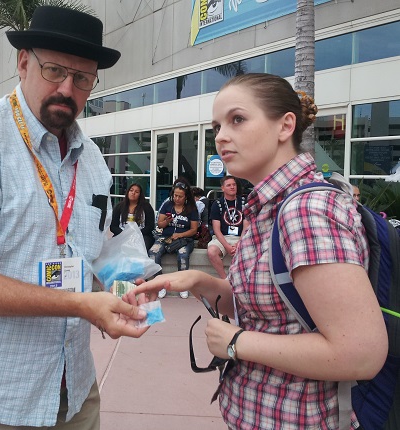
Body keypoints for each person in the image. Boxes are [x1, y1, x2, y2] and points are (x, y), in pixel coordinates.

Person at [0, 6, 148, 430]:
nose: (67, 88)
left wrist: (121, 285)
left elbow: (85, 253)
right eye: (54, 70)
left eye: (83, 78)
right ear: (23, 63)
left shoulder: (92, 159)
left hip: (72, 388)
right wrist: (79, 304)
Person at [126, 73, 388, 429]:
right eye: (217, 125)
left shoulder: (306, 211)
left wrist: (236, 342)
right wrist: (197, 281)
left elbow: (359, 353)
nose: (221, 136)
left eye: (237, 119)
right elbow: (262, 308)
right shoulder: (267, 207)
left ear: (285, 126)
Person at [149, 177, 199, 299]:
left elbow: (194, 230)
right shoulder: (167, 205)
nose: (177, 198)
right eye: (175, 195)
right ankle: (159, 284)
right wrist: (166, 221)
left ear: (186, 197)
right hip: (166, 237)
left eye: (180, 196)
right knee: (153, 252)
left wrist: (180, 235)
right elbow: (159, 224)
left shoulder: (192, 209)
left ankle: (182, 286)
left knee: (183, 255)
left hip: (184, 239)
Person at [207, 175, 248, 278]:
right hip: (222, 237)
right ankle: (225, 280)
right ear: (222, 188)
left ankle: (240, 280)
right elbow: (216, 229)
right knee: (212, 251)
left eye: (234, 185)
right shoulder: (217, 204)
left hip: (240, 237)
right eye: (229, 185)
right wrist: (227, 246)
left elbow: (246, 226)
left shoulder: (244, 203)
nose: (232, 187)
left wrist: (239, 242)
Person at [110, 182, 155, 251]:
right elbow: (113, 226)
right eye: (131, 190)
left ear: (140, 195)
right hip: (122, 235)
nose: (133, 193)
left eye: (136, 192)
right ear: (128, 192)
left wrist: (136, 234)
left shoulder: (146, 207)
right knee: (113, 249)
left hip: (142, 235)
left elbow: (150, 226)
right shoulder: (119, 207)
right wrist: (124, 234)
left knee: (141, 249)